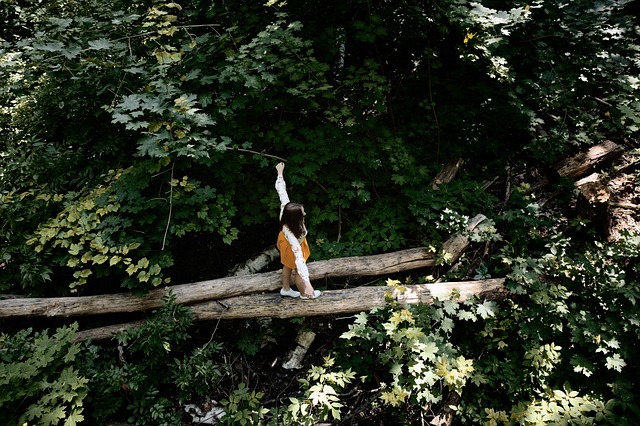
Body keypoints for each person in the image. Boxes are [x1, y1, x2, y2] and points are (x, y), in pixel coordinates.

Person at [275, 162, 321, 299]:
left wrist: (280, 174)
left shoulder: (286, 209)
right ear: (295, 219)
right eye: (302, 213)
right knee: (297, 270)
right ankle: (305, 294)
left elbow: (281, 191)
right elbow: (299, 260)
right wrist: (308, 283)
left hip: (283, 242)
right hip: (293, 246)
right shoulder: (293, 236)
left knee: (286, 265)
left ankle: (285, 289)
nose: (305, 214)